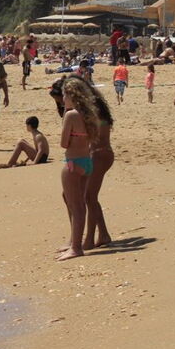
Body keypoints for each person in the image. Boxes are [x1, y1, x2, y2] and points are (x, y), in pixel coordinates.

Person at [58, 78, 99, 261]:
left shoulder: (71, 115)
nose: (63, 99)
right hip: (86, 162)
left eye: (64, 95)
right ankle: (74, 243)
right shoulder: (89, 114)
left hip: (73, 162)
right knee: (77, 202)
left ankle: (75, 247)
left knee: (76, 206)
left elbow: (63, 143)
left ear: (70, 96)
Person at [83, 79, 114, 250]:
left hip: (99, 155)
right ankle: (103, 234)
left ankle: (89, 238)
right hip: (102, 154)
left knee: (90, 198)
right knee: (91, 197)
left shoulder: (94, 112)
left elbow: (91, 137)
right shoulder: (100, 110)